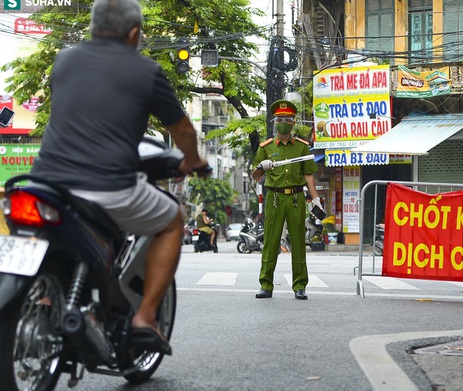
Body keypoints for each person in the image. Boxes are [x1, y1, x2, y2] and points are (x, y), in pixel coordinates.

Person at [30, 0, 209, 354]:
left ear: (94, 26)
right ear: (133, 33)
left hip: (45, 183)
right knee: (173, 219)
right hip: (107, 187)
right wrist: (193, 161)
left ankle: (50, 299)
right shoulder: (145, 71)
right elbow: (184, 131)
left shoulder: (64, 60)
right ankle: (144, 317)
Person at [252, 99, 323, 300]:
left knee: (299, 242)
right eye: (279, 118)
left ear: (293, 122)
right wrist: (261, 167)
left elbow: (309, 175)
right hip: (274, 197)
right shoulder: (265, 148)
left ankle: (300, 286)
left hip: (296, 198)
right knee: (271, 242)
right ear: (274, 122)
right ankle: (266, 285)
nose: (283, 122)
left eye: (287, 119)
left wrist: (315, 199)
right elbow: (254, 176)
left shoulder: (301, 147)